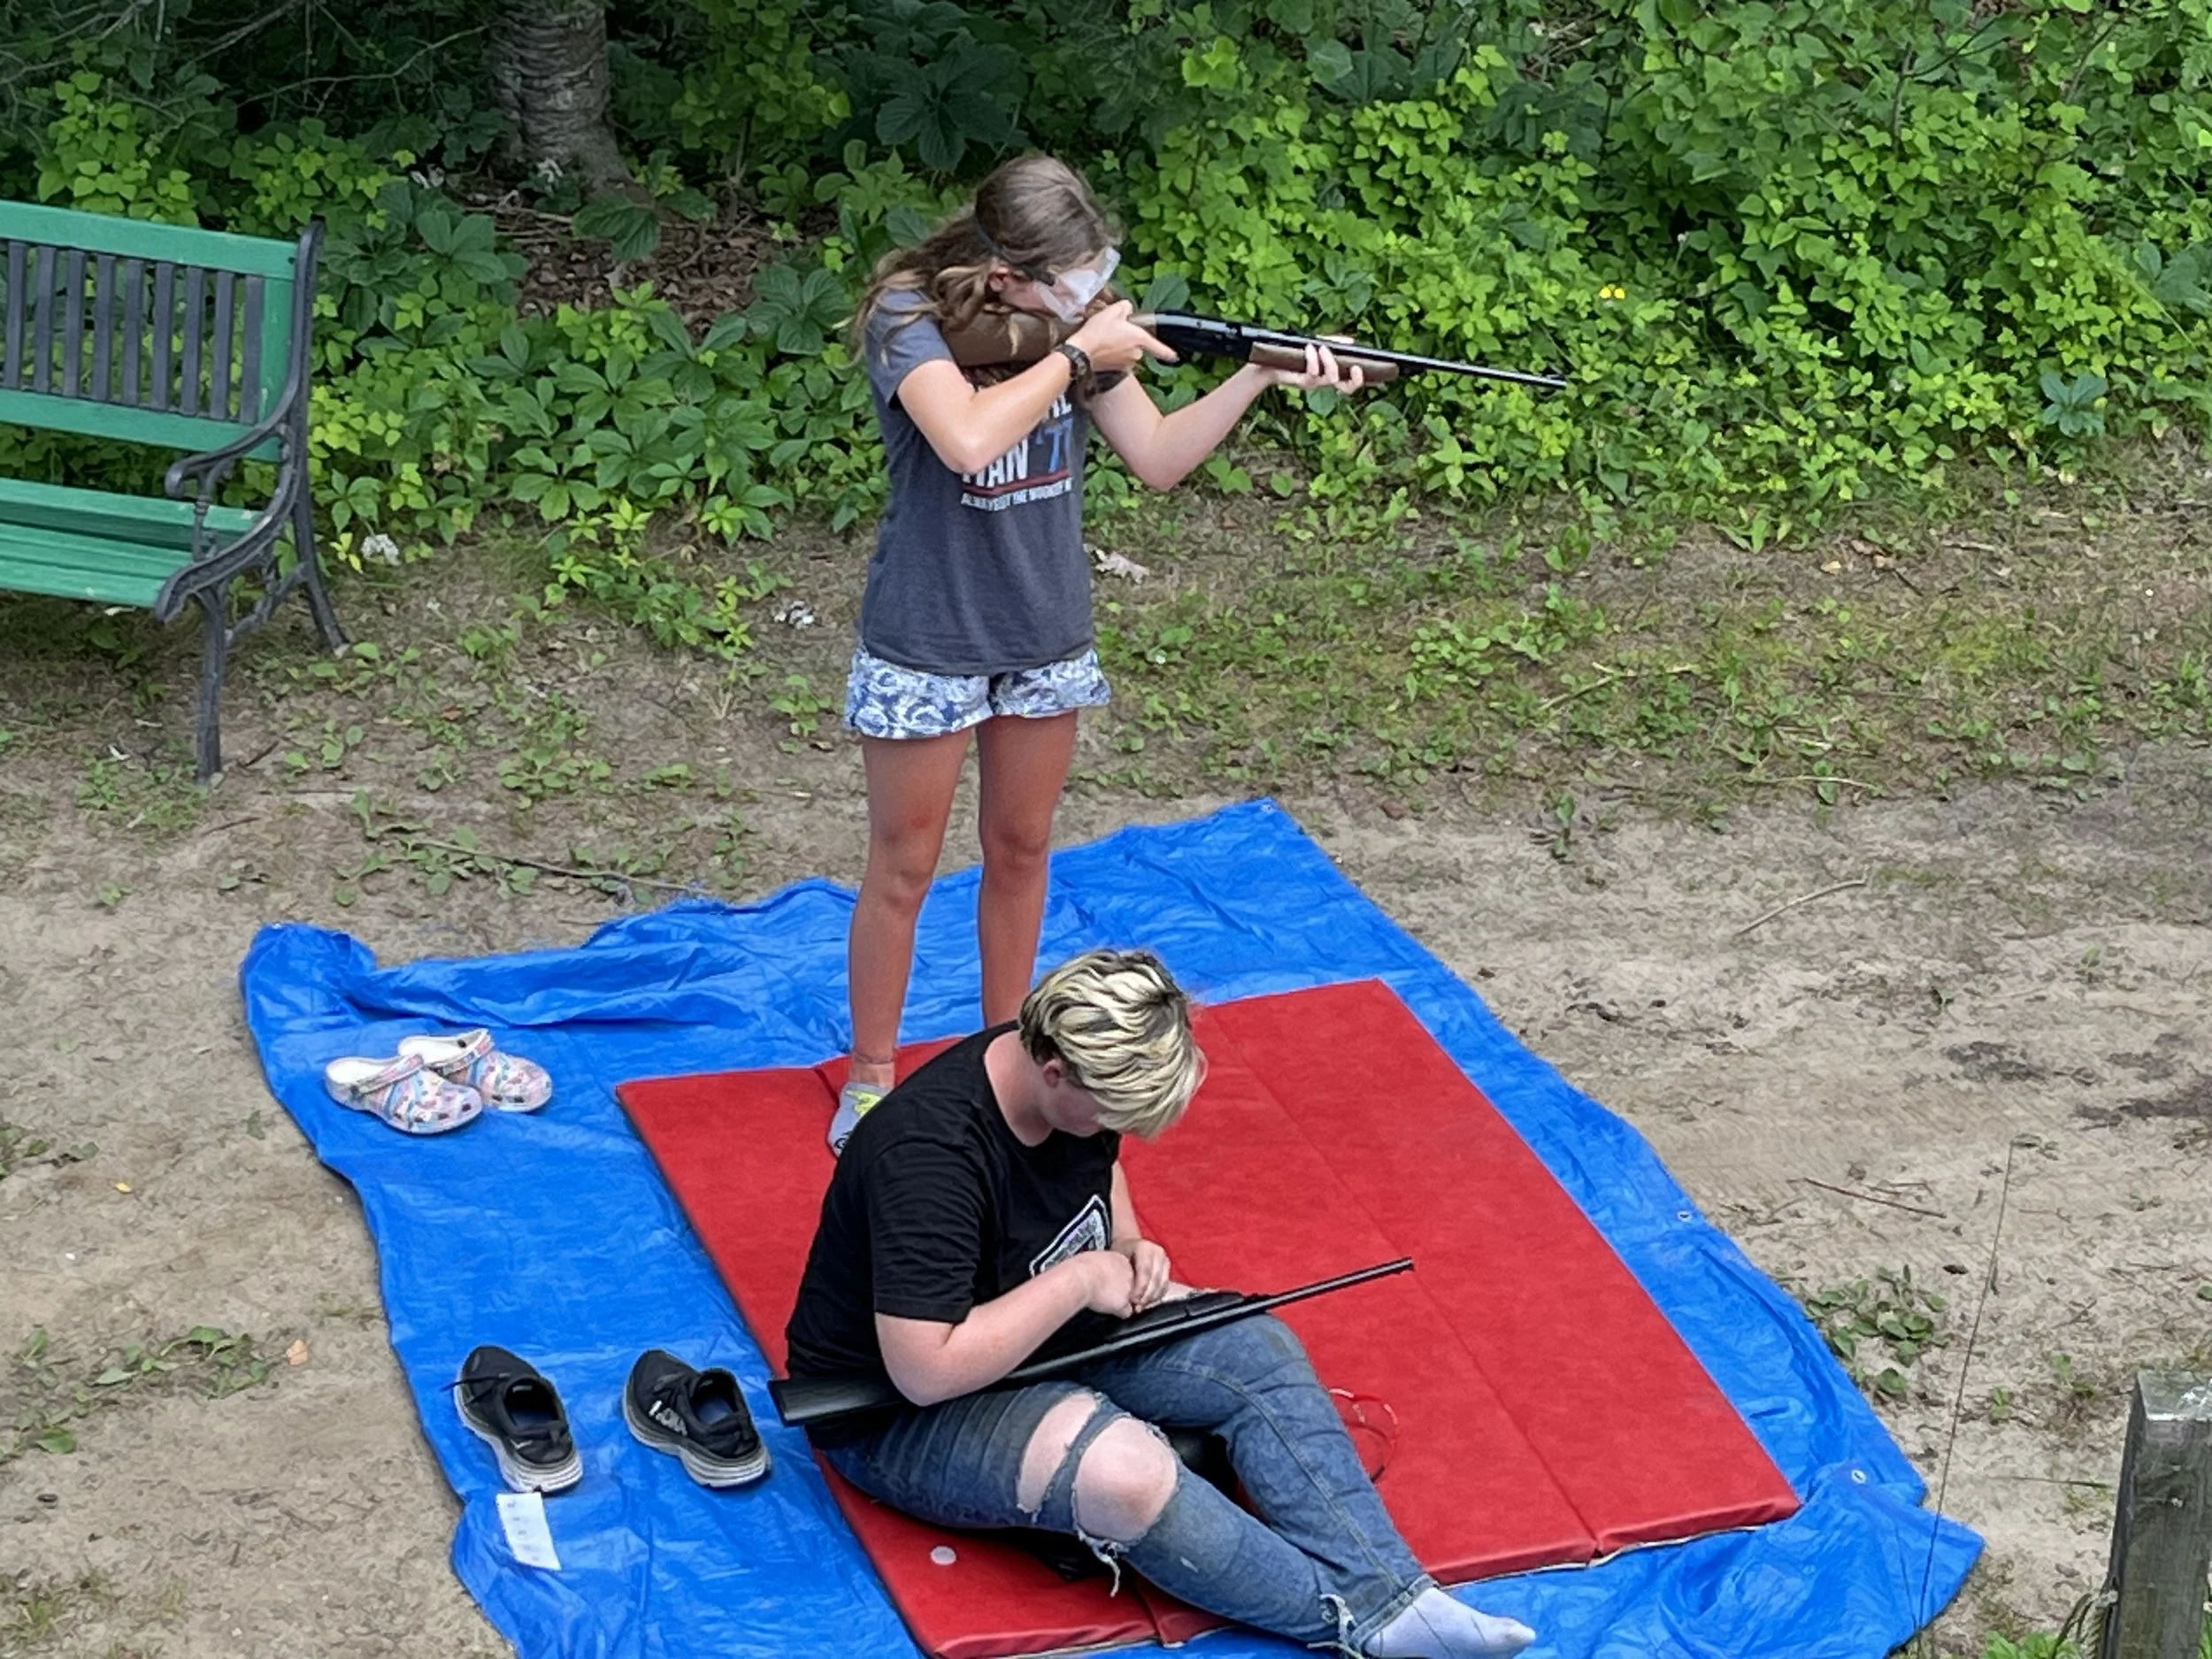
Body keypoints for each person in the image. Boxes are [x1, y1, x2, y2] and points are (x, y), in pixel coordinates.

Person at [827, 155, 1369, 1152]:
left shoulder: (1078, 328)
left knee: (1022, 848)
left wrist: (1259, 370)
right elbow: (965, 441)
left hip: (1041, 633)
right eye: (1069, 279)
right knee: (901, 868)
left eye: (1094, 274)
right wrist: (1076, 357)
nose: (1090, 295)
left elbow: (1158, 459)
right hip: (930, 635)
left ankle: (999, 1051)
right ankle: (870, 1078)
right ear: (1002, 275)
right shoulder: (908, 315)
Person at [785, 949, 1537, 1659]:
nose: (1116, 1135)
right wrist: (1082, 1279)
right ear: (1053, 1071)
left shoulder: (1067, 1073)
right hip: (902, 1410)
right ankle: (1356, 1620)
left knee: (1255, 1346)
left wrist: (1132, 1247)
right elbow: (925, 1368)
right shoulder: (929, 1159)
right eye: (1109, 1115)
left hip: (1047, 1335)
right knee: (1126, 1474)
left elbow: (1096, 1165)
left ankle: (1396, 1592)